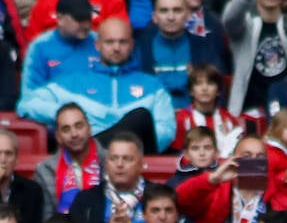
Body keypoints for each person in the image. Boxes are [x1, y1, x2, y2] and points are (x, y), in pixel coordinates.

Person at [19, 17, 174, 153]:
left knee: (140, 117)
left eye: (123, 42)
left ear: (132, 45)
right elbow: (27, 105)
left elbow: (166, 130)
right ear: (98, 45)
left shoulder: (152, 85)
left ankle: (98, 151)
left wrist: (124, 144)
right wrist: (75, 116)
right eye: (109, 42)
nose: (116, 48)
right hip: (86, 151)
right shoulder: (73, 81)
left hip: (135, 157)